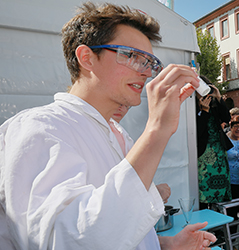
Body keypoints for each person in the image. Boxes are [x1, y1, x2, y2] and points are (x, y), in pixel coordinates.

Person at [0, 2, 216, 249]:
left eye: (150, 62)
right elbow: (66, 241)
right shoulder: (38, 129)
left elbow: (116, 228)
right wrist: (157, 129)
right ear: (87, 58)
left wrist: (166, 244)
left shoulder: (117, 134)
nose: (147, 72)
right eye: (133, 56)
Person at [197, 75, 234, 209]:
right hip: (203, 154)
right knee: (205, 189)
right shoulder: (193, 107)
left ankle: (219, 218)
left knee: (221, 188)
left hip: (219, 151)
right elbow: (197, 131)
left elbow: (226, 117)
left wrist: (218, 98)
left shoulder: (214, 104)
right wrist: (204, 111)